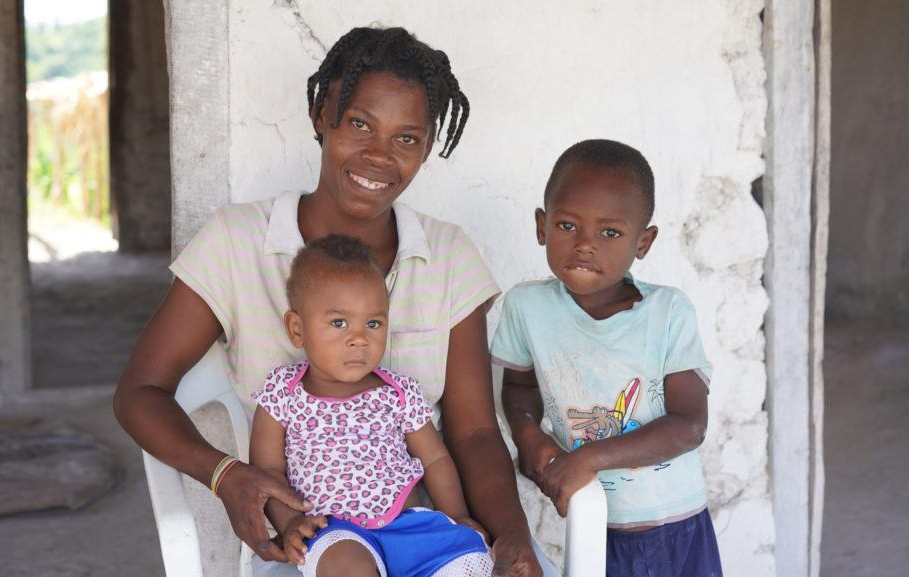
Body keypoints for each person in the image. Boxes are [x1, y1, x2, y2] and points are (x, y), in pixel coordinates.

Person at [113, 27, 551, 576]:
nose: (379, 156)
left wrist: (510, 536)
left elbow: (474, 431)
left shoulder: (447, 255)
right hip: (316, 547)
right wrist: (227, 476)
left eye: (407, 139)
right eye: (360, 123)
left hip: (425, 538)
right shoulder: (237, 241)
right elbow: (140, 392)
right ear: (322, 115)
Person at [492, 139, 724, 576]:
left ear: (644, 241)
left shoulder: (668, 313)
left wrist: (587, 459)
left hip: (673, 525)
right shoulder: (527, 308)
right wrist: (528, 436)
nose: (584, 244)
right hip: (591, 521)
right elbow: (520, 388)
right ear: (541, 226)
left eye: (610, 232)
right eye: (566, 226)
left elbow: (690, 425)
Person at [249, 234, 493, 577]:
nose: (359, 337)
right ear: (297, 329)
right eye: (339, 323)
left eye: (373, 323)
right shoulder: (283, 392)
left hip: (406, 525)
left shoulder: (398, 391)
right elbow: (267, 473)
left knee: (469, 556)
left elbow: (435, 457)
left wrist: (458, 515)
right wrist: (290, 524)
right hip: (334, 532)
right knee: (348, 567)